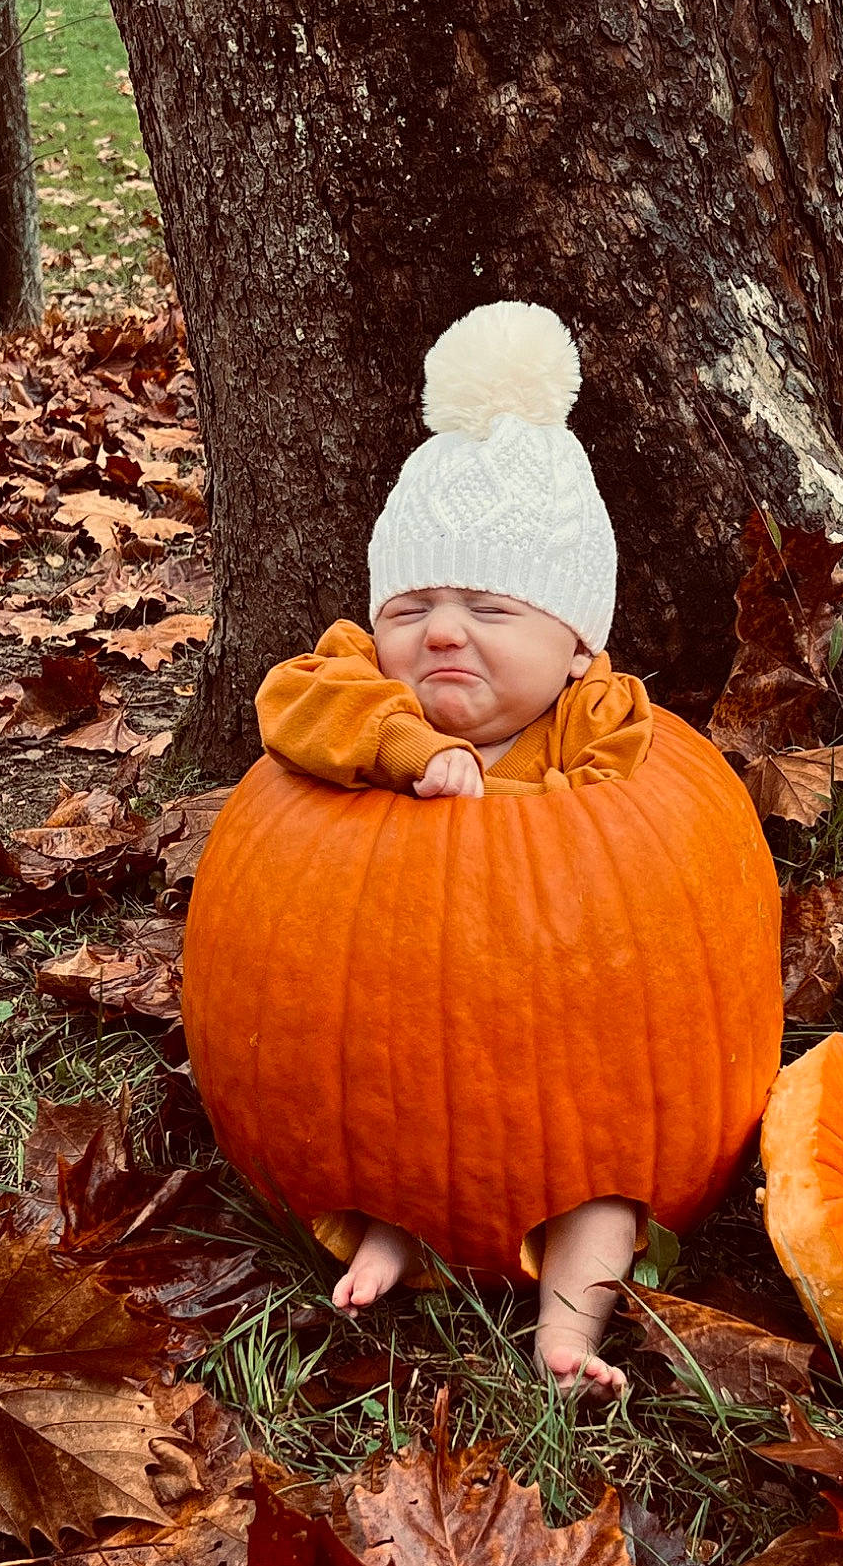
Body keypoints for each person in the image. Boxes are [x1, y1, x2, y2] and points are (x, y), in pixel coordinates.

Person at [254, 301, 651, 1399]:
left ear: (575, 644)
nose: (441, 631)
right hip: (401, 1040)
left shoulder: (592, 715)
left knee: (606, 1198)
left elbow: (638, 834)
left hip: (570, 1055)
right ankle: (394, 1237)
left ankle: (569, 1332)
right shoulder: (364, 689)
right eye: (414, 603)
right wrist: (399, 745)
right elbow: (291, 700)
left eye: (488, 605)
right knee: (385, 1136)